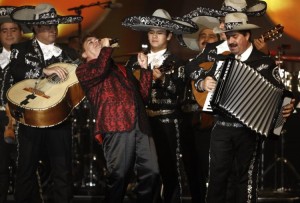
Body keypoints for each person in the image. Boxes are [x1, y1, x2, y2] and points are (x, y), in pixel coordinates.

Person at [196, 12, 295, 203]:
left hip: (248, 131)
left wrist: (287, 108)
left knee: (245, 180)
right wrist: (202, 83)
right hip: (221, 127)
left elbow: (283, 95)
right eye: (228, 36)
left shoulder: (264, 62)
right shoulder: (222, 59)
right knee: (216, 178)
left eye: (235, 36)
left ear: (247, 35)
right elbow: (196, 72)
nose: (230, 41)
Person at [8, 3, 82, 203]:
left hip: (60, 118)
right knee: (26, 169)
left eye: (54, 25)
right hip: (31, 118)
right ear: (35, 28)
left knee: (62, 170)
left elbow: (82, 79)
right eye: (46, 25)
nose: (51, 29)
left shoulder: (68, 54)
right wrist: (43, 70)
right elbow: (13, 74)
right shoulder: (20, 49)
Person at [122, 9, 198, 203]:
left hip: (168, 121)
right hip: (142, 122)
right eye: (151, 32)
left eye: (160, 32)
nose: (155, 36)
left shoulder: (178, 62)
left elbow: (179, 92)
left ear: (169, 35)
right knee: (145, 171)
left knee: (169, 169)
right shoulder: (134, 61)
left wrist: (162, 79)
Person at [75, 35, 159, 203]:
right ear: (84, 54)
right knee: (119, 175)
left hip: (140, 124)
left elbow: (142, 97)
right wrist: (106, 48)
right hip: (115, 125)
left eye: (97, 39)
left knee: (152, 172)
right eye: (90, 42)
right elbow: (100, 70)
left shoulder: (121, 68)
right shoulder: (84, 70)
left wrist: (145, 70)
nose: (96, 41)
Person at [177, 15, 220, 203]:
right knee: (191, 168)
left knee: (209, 167)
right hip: (187, 119)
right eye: (203, 35)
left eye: (211, 36)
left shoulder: (220, 64)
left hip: (210, 122)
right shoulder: (187, 64)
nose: (206, 39)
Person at [0, 6, 31, 203]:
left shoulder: (30, 57)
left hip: (24, 117)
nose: (9, 34)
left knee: (25, 167)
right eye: (4, 30)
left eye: (13, 29)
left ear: (21, 32)